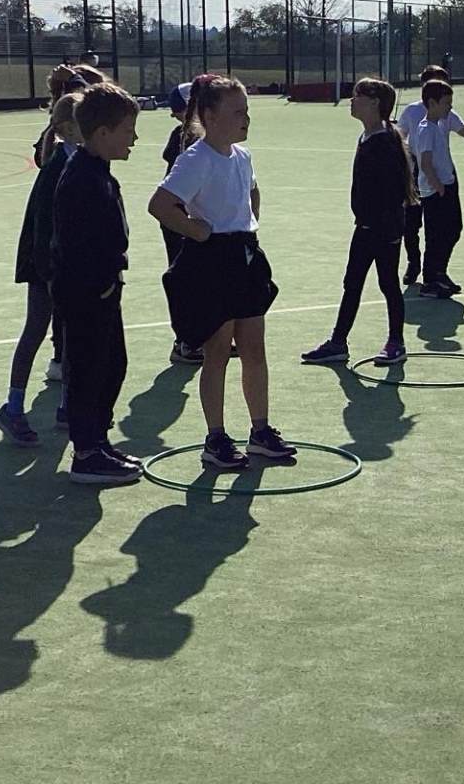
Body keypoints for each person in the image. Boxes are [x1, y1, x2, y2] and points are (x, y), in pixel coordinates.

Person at [148, 73, 295, 472]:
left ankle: (260, 431)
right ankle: (216, 438)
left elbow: (252, 191)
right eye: (237, 112)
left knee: (254, 349)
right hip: (212, 263)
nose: (246, 119)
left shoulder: (242, 156)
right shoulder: (195, 158)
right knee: (217, 353)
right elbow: (160, 204)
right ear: (210, 117)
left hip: (245, 258)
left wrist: (249, 225)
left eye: (247, 111)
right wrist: (196, 230)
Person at [53, 80, 143, 485]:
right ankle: (86, 454)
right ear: (103, 133)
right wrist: (99, 285)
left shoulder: (98, 171)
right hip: (87, 294)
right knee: (88, 370)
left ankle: (98, 441)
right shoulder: (81, 179)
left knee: (112, 366)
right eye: (128, 130)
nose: (134, 139)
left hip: (104, 289)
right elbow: (74, 246)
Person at [301, 77, 412, 368]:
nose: (352, 100)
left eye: (357, 96)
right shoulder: (368, 136)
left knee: (388, 284)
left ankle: (396, 343)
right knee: (352, 283)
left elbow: (393, 192)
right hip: (365, 227)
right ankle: (338, 343)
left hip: (383, 229)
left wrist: (390, 230)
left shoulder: (384, 142)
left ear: (374, 102)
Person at [0, 91, 81, 447]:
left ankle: (67, 407)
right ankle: (13, 407)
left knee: (72, 334)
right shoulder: (58, 166)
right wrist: (50, 272)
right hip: (45, 268)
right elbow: (42, 226)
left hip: (66, 267)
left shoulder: (81, 160)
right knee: (35, 330)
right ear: (67, 128)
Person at [410, 77, 464, 297]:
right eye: (446, 103)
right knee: (436, 235)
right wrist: (437, 186)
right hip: (435, 191)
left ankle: (440, 272)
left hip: (447, 185)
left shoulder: (438, 124)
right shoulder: (425, 129)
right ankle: (430, 280)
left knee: (453, 230)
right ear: (432, 103)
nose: (450, 107)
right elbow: (425, 162)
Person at [158, 82, 203, 365]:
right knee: (184, 279)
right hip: (180, 220)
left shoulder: (197, 137)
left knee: (203, 279)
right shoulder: (186, 138)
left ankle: (204, 336)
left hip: (194, 219)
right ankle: (185, 341)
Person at [394, 66, 449, 284]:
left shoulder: (447, 110)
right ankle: (413, 262)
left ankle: (435, 270)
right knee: (411, 224)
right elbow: (400, 137)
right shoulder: (412, 111)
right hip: (415, 172)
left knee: (439, 226)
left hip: (439, 173)